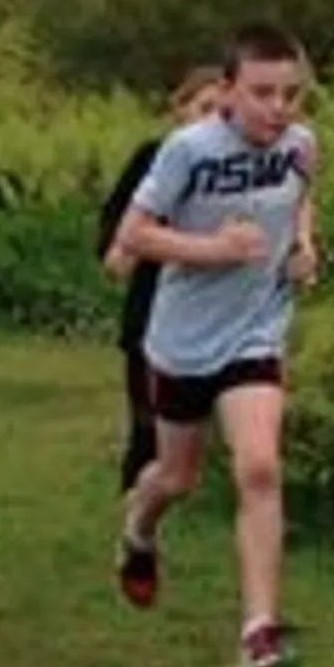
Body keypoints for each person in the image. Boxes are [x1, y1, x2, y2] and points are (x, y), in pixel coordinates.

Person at [110, 23, 323, 667]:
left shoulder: (301, 147)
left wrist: (304, 246)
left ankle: (259, 632)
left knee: (259, 467)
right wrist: (212, 250)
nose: (279, 108)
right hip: (180, 340)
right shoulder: (187, 149)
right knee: (176, 478)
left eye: (291, 93)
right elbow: (133, 234)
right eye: (262, 93)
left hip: (256, 330)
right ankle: (138, 533)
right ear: (228, 91)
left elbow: (303, 200)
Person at [96, 66, 228, 495]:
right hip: (153, 303)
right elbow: (115, 235)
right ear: (180, 111)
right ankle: (139, 504)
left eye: (224, 113)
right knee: (148, 414)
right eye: (205, 108)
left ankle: (200, 485)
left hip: (217, 307)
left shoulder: (243, 166)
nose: (214, 121)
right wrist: (129, 247)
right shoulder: (153, 158)